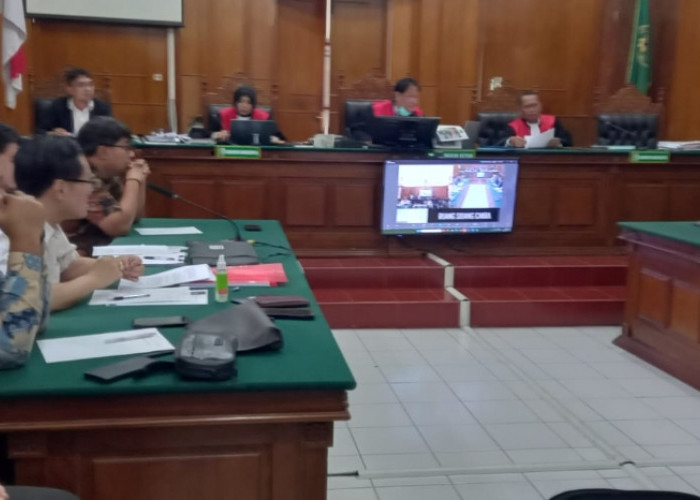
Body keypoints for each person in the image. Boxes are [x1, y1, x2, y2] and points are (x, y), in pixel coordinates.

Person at [14, 136, 143, 312]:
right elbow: (31, 300)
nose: (91, 190)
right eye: (88, 181)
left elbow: (68, 266)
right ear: (60, 188)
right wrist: (94, 279)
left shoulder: (49, 222)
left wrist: (116, 266)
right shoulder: (14, 233)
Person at [63, 117, 150, 256]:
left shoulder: (108, 176)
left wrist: (140, 178)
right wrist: (133, 180)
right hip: (68, 251)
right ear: (103, 152)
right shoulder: (84, 177)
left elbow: (133, 217)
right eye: (126, 148)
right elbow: (119, 226)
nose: (132, 154)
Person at [41, 67, 112, 136]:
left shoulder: (102, 107)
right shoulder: (57, 106)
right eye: (81, 85)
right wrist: (53, 133)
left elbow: (110, 133)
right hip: (67, 143)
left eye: (90, 85)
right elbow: (41, 132)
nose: (88, 89)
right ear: (69, 89)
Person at [212, 85, 285, 144]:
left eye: (248, 103)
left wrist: (274, 139)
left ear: (253, 104)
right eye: (241, 102)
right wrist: (216, 135)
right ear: (235, 103)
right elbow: (208, 134)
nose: (244, 106)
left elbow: (281, 139)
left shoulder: (264, 117)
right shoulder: (223, 115)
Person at [506, 90, 572, 148]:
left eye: (534, 105)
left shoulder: (553, 121)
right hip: (524, 157)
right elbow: (501, 142)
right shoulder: (513, 126)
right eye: (527, 107)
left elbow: (568, 141)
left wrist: (558, 142)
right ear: (520, 109)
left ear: (540, 106)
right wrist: (511, 141)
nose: (532, 110)